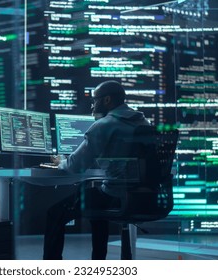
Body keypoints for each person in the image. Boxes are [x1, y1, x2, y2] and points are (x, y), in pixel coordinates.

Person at [43, 80, 152, 260]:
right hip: (142, 197)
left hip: (114, 196)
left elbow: (74, 166)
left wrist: (61, 161)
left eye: (95, 100)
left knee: (55, 213)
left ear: (107, 100)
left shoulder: (104, 125)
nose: (93, 105)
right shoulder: (143, 122)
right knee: (95, 203)